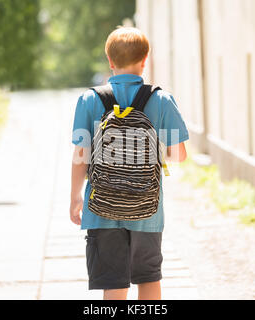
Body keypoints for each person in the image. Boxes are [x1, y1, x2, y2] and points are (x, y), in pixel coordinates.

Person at [70, 27, 189, 300]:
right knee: (148, 278)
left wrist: (75, 197)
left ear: (110, 61)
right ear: (145, 60)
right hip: (147, 210)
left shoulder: (89, 100)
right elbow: (177, 154)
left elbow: (80, 156)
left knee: (113, 282)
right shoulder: (160, 100)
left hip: (101, 208)